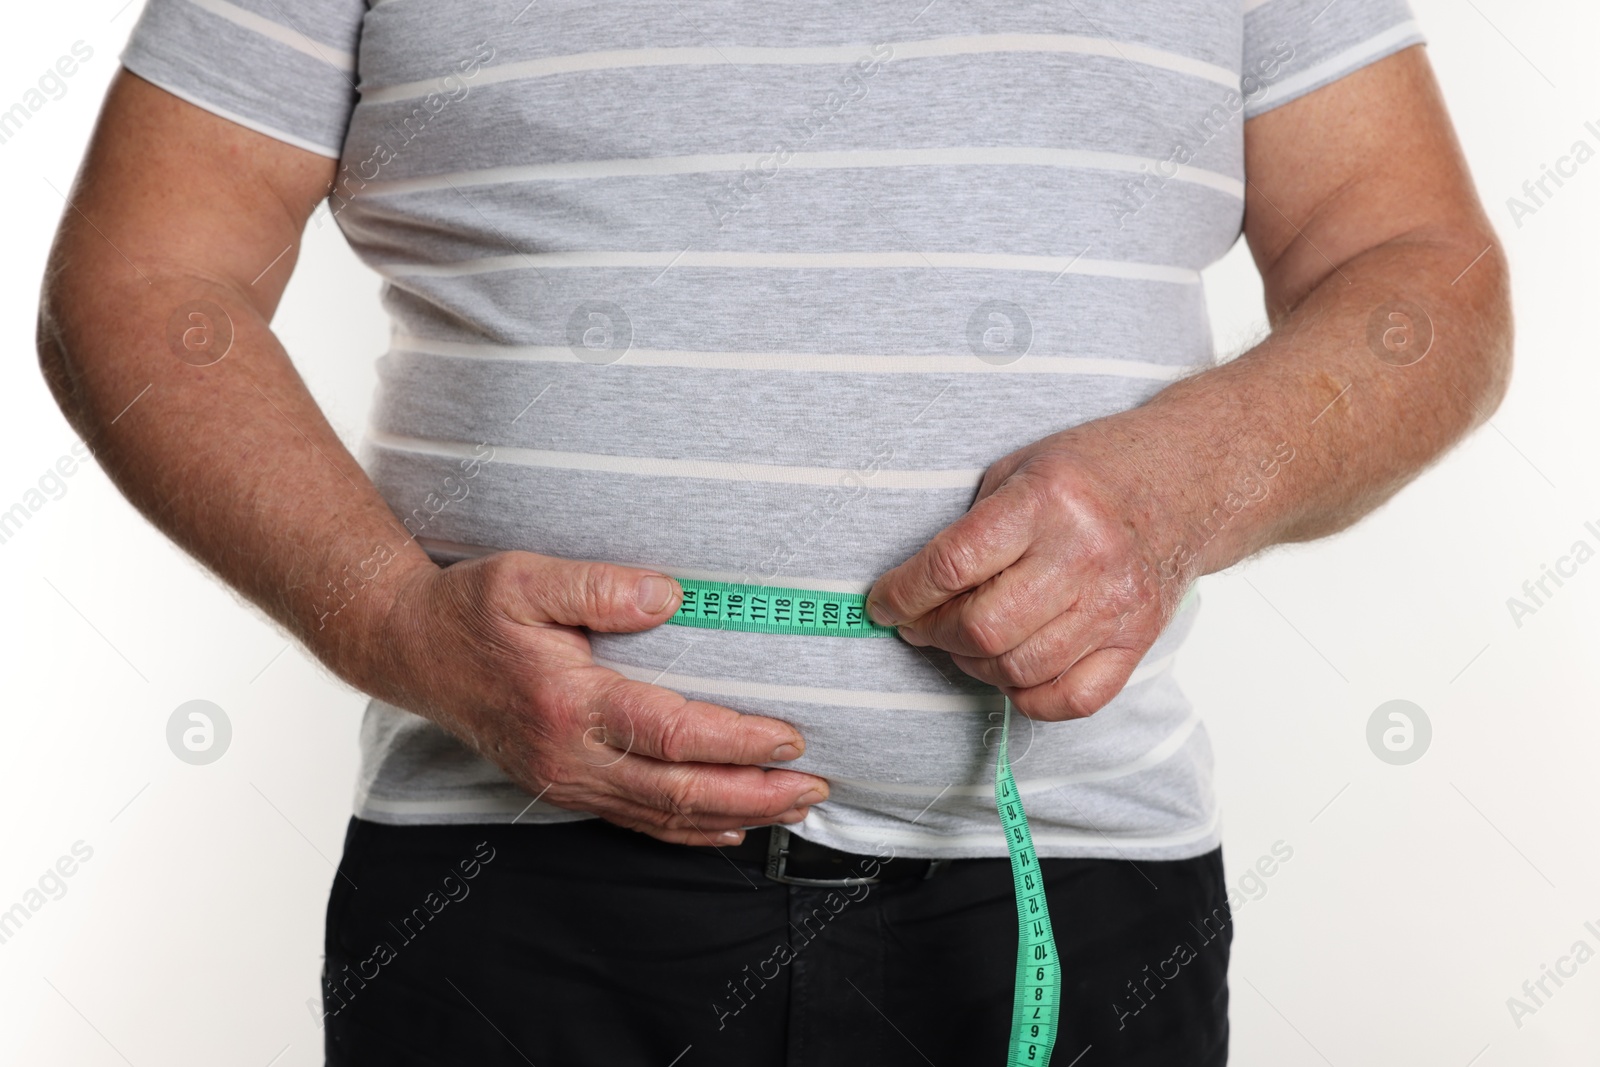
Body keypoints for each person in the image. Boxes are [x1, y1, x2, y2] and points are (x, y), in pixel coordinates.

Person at [37, 0, 1509, 1063]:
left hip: (1064, 877)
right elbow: (143, 277)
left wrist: (1192, 486)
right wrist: (391, 621)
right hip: (509, 878)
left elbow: (1424, 278)